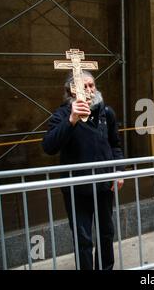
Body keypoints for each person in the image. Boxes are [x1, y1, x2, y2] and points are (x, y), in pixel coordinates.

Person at [42, 70, 124, 270]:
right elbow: (49, 146)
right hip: (77, 188)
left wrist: (119, 171)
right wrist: (72, 120)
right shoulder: (62, 114)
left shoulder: (107, 113)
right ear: (72, 91)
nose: (89, 90)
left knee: (106, 232)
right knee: (83, 237)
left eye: (92, 85)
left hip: (104, 185)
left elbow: (115, 145)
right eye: (84, 86)